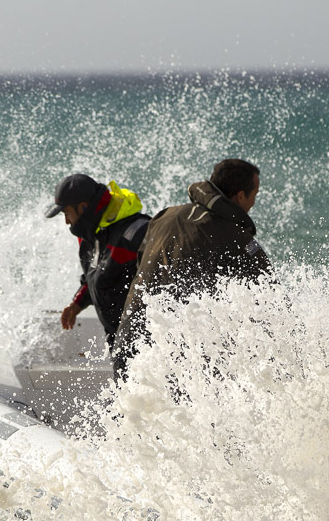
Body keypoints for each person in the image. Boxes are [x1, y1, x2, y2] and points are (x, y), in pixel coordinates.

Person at [113, 159, 272, 377]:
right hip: (179, 353)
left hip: (130, 338)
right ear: (241, 196)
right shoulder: (235, 237)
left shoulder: (164, 217)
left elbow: (139, 265)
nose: (254, 202)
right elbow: (269, 293)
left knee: (133, 398)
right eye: (255, 195)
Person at [45, 173, 150, 349]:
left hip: (147, 343)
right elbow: (97, 274)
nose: (66, 221)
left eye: (67, 213)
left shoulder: (136, 233)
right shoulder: (90, 235)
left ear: (83, 207)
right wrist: (78, 303)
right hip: (118, 341)